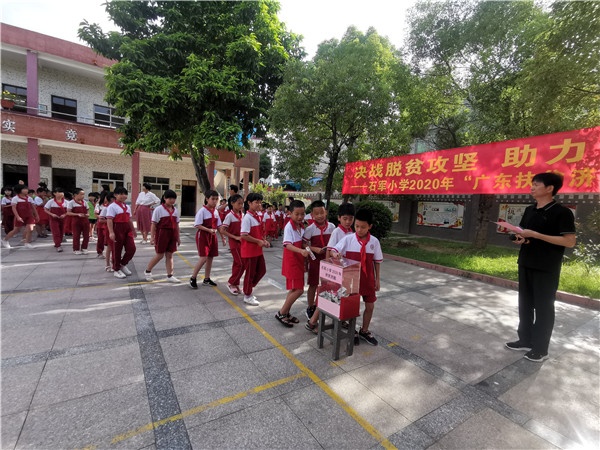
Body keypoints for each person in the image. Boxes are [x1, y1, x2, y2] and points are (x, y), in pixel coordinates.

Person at [505, 172, 576, 362]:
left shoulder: (562, 212)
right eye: (532, 184)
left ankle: (541, 348)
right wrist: (521, 239)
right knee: (525, 304)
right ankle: (525, 340)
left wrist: (536, 235)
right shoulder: (530, 210)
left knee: (544, 308)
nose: (532, 187)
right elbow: (525, 234)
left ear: (550, 188)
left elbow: (569, 241)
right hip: (526, 262)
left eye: (536, 184)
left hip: (546, 267)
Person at [330, 208, 383, 345]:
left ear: (370, 226)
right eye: (357, 226)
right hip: (351, 279)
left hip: (367, 280)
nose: (359, 230)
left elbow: (377, 262)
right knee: (352, 306)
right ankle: (352, 330)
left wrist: (377, 279)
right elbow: (333, 250)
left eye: (363, 227)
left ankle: (364, 330)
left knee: (370, 306)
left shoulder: (374, 242)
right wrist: (335, 254)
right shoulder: (348, 239)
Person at [275, 200, 309, 327]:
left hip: (299, 262)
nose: (300, 217)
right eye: (297, 214)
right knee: (299, 290)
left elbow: (302, 243)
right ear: (290, 213)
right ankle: (281, 313)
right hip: (292, 262)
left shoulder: (301, 226)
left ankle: (286, 312)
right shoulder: (289, 226)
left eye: (302, 214)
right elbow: (287, 244)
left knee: (294, 289)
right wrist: (301, 251)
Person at [303, 201, 335, 320]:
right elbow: (304, 244)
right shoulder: (310, 229)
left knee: (327, 284)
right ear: (312, 215)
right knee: (313, 284)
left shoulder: (332, 227)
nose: (320, 216)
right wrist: (313, 249)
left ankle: (321, 305)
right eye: (317, 214)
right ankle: (310, 306)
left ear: (326, 212)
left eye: (322, 212)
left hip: (329, 261)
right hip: (315, 260)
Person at [240, 192, 270, 305]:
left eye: (260, 202)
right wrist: (258, 241)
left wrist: (264, 241)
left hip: (257, 250)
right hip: (249, 251)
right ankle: (247, 295)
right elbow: (244, 235)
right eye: (256, 202)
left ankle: (247, 288)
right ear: (249, 203)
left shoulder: (256, 216)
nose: (259, 204)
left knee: (262, 270)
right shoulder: (247, 218)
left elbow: (258, 233)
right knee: (250, 273)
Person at [144, 189, 181, 282]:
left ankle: (170, 275)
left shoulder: (175, 210)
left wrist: (178, 237)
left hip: (172, 235)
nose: (172, 200)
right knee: (160, 255)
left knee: (170, 255)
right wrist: (152, 237)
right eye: (170, 198)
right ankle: (147, 271)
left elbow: (177, 225)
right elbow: (153, 224)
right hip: (162, 234)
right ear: (164, 198)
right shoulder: (159, 209)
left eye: (174, 198)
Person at [190, 190, 222, 288]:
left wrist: (223, 237)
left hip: (212, 236)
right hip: (203, 235)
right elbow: (197, 225)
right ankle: (193, 278)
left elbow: (219, 225)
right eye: (213, 199)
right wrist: (208, 230)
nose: (215, 201)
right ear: (207, 199)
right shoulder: (202, 211)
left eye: (216, 199)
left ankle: (207, 279)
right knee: (203, 257)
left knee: (210, 257)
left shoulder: (216, 211)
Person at [106, 186, 137, 279]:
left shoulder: (127, 206)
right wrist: (111, 232)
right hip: (117, 229)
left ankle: (122, 264)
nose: (123, 196)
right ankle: (116, 269)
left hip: (127, 229)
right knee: (117, 250)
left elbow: (129, 220)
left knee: (132, 248)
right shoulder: (112, 206)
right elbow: (109, 220)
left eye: (125, 194)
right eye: (121, 194)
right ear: (115, 195)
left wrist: (133, 230)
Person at [219, 194, 245, 295]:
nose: (241, 206)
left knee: (238, 263)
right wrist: (234, 237)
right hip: (234, 242)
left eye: (242, 204)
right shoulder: (229, 215)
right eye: (239, 203)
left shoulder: (242, 214)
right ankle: (231, 282)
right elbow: (222, 230)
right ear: (232, 203)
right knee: (241, 263)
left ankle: (236, 283)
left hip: (242, 242)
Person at [67, 188, 90, 255]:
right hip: (76, 221)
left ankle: (84, 248)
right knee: (76, 235)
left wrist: (87, 214)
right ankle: (76, 249)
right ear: (75, 195)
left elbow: (88, 211)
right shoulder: (71, 202)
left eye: (83, 194)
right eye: (81, 194)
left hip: (85, 220)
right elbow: (68, 212)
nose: (83, 196)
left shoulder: (84, 202)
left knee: (86, 235)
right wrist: (77, 214)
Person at [44, 187, 67, 252]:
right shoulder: (51, 201)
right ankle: (58, 245)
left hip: (63, 219)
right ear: (54, 193)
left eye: (62, 192)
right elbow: (45, 209)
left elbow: (69, 211)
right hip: (54, 219)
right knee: (56, 232)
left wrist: (64, 215)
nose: (61, 194)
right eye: (59, 192)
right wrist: (52, 214)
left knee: (61, 232)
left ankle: (58, 242)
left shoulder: (66, 202)